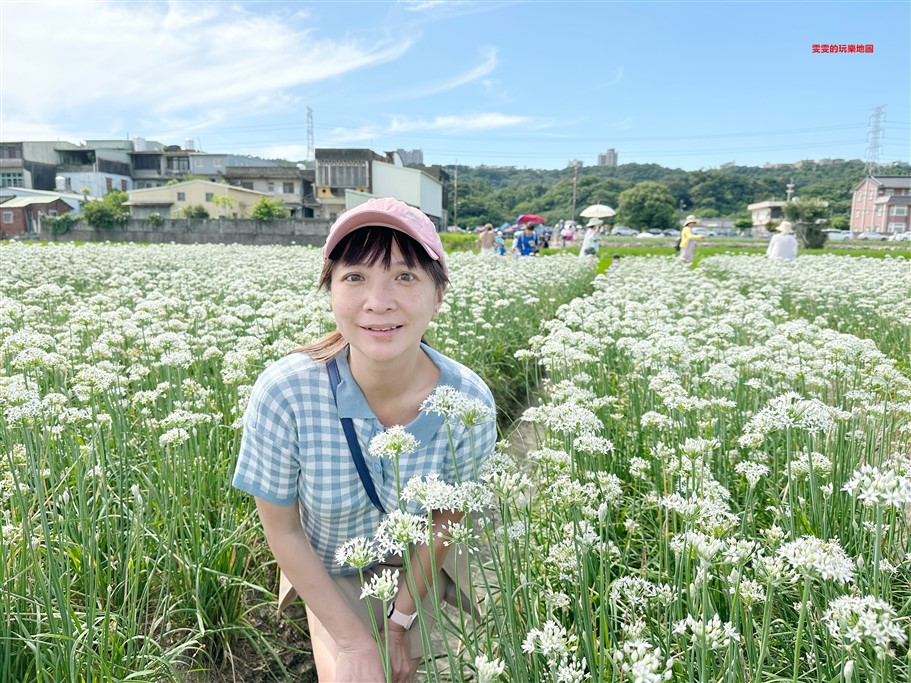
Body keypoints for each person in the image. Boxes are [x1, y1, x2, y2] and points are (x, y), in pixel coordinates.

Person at [232, 197, 497, 683]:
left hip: (420, 565)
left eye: (405, 276)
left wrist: (400, 622)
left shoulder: (467, 400)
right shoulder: (286, 392)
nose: (379, 301)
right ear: (330, 291)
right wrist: (354, 642)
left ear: (438, 296)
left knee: (400, 672)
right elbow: (283, 529)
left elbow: (446, 521)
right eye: (355, 277)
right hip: (329, 565)